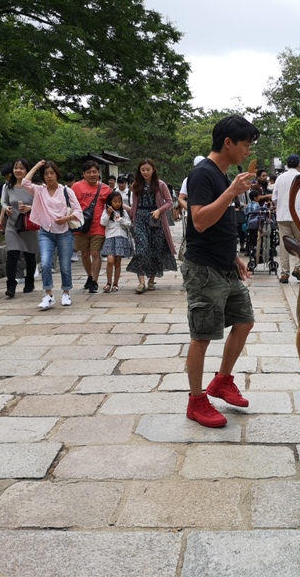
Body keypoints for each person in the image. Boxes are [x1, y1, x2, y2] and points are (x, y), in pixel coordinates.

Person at [182, 114, 258, 428]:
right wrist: (231, 193)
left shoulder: (223, 174)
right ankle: (196, 401)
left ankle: (222, 380)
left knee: (244, 320)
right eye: (245, 145)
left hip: (224, 266)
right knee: (202, 336)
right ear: (228, 143)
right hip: (203, 268)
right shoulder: (203, 174)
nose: (247, 152)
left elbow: (220, 226)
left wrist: (235, 257)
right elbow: (199, 221)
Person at [22, 160, 83, 310]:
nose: (49, 176)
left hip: (64, 233)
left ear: (57, 174)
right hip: (46, 232)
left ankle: (66, 292)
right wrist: (36, 166)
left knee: (65, 266)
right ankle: (48, 294)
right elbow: (25, 183)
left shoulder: (66, 191)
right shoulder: (39, 190)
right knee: (45, 263)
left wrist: (66, 219)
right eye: (46, 174)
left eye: (52, 173)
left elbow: (78, 211)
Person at [126, 158, 176, 293]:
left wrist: (160, 210)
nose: (145, 172)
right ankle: (141, 282)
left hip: (156, 220)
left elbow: (170, 202)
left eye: (148, 169)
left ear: (153, 170)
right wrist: (133, 218)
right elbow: (134, 205)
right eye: (143, 170)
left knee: (155, 249)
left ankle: (151, 280)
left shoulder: (160, 184)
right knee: (141, 249)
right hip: (140, 219)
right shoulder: (136, 185)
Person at [0, 158, 39, 298]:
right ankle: (11, 285)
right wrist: (5, 211)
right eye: (16, 168)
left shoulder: (33, 187)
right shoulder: (7, 186)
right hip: (12, 225)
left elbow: (41, 205)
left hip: (29, 225)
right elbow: (4, 202)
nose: (18, 171)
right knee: (12, 254)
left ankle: (30, 281)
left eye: (21, 168)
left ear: (27, 170)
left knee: (29, 255)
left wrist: (30, 208)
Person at [71, 161, 112, 293]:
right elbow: (70, 204)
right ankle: (89, 276)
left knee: (95, 252)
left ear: (98, 173)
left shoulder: (106, 189)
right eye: (88, 172)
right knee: (84, 254)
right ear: (83, 174)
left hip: (98, 225)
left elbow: (113, 205)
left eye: (94, 172)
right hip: (81, 225)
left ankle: (94, 281)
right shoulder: (76, 187)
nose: (92, 174)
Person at [273, 154, 300, 283]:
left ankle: (284, 274)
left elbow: (274, 198)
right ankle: (298, 268)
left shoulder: (279, 178)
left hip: (283, 215)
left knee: (284, 245)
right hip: (298, 216)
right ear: (299, 164)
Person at [100, 190, 133, 293]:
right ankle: (108, 282)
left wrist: (121, 220)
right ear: (110, 202)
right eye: (115, 201)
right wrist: (108, 214)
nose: (117, 204)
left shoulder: (124, 212)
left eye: (119, 201)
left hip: (121, 237)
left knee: (117, 262)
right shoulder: (106, 211)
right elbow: (103, 222)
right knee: (110, 260)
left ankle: (115, 283)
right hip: (110, 237)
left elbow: (129, 224)